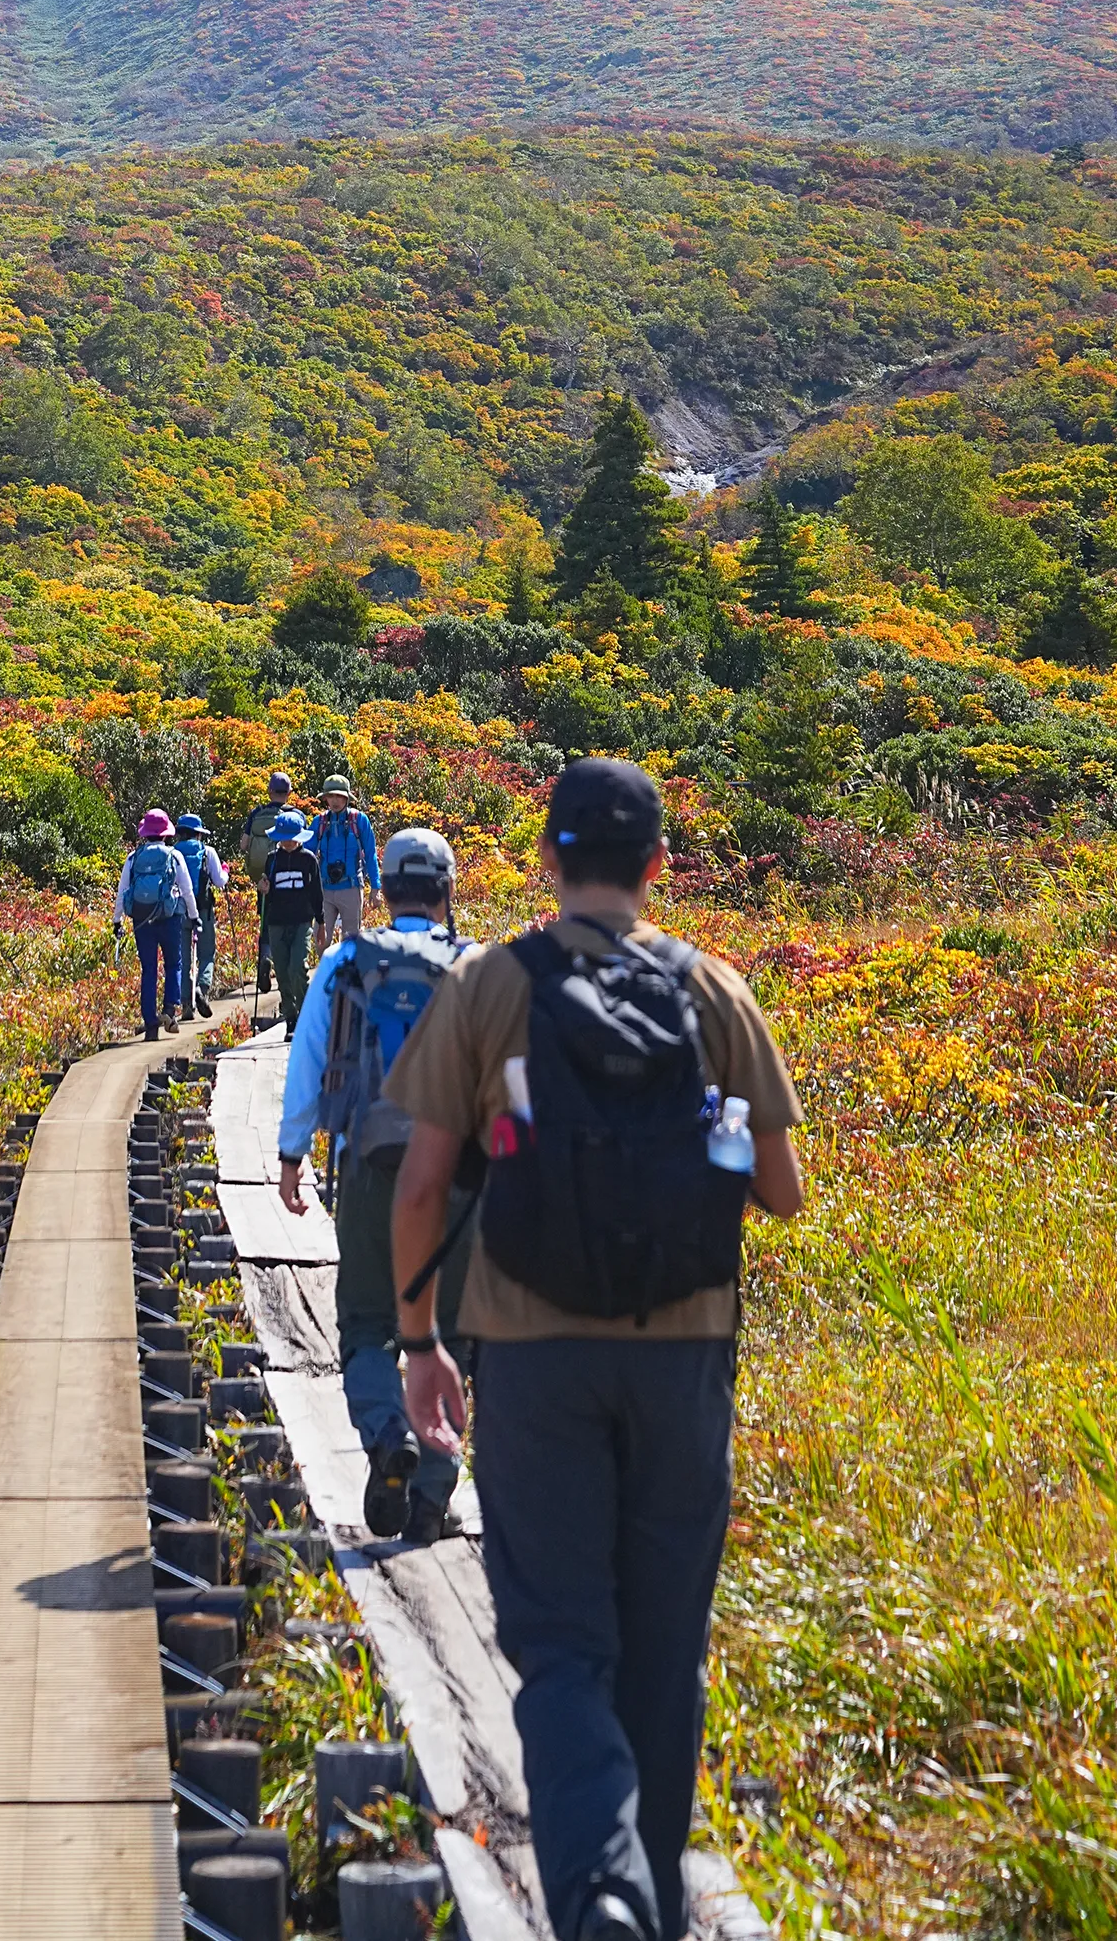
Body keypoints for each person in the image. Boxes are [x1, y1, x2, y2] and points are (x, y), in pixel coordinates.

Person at [386, 758, 804, 1941]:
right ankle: (655, 1899)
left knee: (562, 1642)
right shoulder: (716, 992)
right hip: (685, 1360)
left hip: (533, 1357)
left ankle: (599, 1897)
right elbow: (783, 1191)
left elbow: (421, 1187)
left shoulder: (491, 987)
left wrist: (419, 1341)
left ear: (551, 859)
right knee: (664, 1649)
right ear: (661, 864)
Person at [276, 827, 476, 1543]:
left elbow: (307, 1060)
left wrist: (291, 1153)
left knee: (365, 1325)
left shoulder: (344, 961)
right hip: (458, 1176)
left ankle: (388, 1434)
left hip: (367, 1163)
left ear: (385, 890)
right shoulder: (475, 967)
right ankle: (430, 1497)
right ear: (447, 889)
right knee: (453, 1335)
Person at [112, 808, 199, 1048]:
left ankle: (151, 1024)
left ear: (144, 833)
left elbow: (122, 892)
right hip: (169, 918)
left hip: (142, 920)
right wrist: (195, 916)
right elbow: (187, 890)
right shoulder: (174, 856)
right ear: (166, 834)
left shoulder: (133, 858)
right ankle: (169, 1010)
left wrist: (117, 920)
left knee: (148, 969)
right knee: (174, 963)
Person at [258, 807, 321, 1030]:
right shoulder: (272, 859)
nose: (288, 843)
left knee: (298, 968)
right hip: (277, 922)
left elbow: (316, 892)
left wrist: (320, 922)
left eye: (292, 839)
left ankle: (305, 1014)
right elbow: (268, 893)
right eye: (284, 839)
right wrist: (263, 890)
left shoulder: (308, 860)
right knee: (283, 972)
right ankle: (291, 1017)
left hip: (302, 921)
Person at [305, 775, 380, 949]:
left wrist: (375, 887)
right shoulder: (319, 822)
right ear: (325, 798)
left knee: (350, 941)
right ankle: (327, 974)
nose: (335, 801)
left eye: (339, 796)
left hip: (351, 887)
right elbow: (306, 854)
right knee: (320, 941)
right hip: (324, 889)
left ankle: (345, 975)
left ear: (347, 798)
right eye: (330, 796)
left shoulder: (359, 821)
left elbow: (370, 854)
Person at [240, 769, 295, 991]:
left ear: (270, 791)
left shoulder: (256, 813)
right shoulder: (294, 814)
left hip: (263, 878)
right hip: (289, 878)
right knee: (291, 924)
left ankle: (265, 956)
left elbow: (244, 845)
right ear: (289, 792)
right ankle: (285, 970)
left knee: (267, 923)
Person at [173, 812, 228, 1019]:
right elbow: (220, 881)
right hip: (203, 911)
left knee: (184, 960)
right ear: (198, 834)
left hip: (179, 912)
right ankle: (202, 989)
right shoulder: (208, 852)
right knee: (206, 954)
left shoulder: (173, 853)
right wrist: (225, 870)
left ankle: (187, 1004)